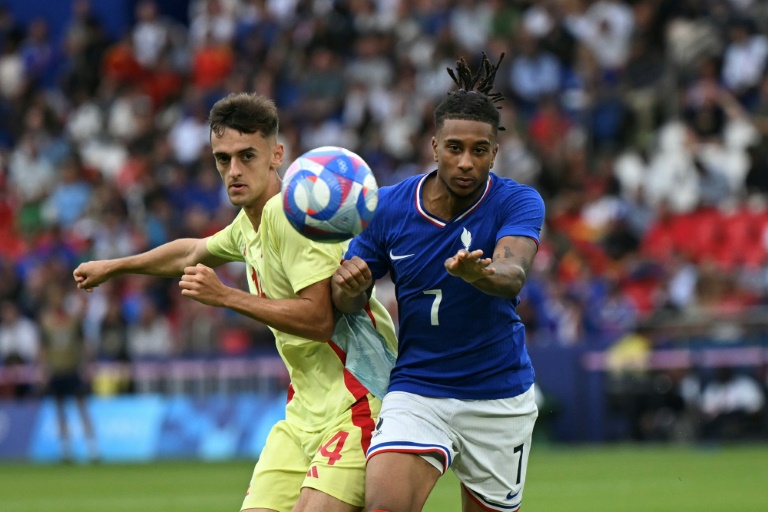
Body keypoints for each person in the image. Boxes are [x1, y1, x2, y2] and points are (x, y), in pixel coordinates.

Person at [73, 92, 397, 512]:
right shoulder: (249, 222)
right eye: (222, 159)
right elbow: (191, 252)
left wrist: (226, 297)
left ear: (276, 154)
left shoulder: (291, 216)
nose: (234, 171)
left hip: (356, 401)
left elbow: (318, 319)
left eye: (247, 156)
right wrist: (115, 266)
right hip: (303, 411)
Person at [332, 53, 545, 512]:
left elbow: (513, 274)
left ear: (495, 151)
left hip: (499, 395)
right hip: (418, 388)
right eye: (454, 148)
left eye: (479, 150)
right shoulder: (388, 206)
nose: (466, 161)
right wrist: (349, 287)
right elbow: (346, 303)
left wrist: (482, 273)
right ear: (434, 145)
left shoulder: (518, 201)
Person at [38, 284, 99, 462]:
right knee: (60, 410)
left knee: (82, 408)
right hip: (56, 370)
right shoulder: (46, 322)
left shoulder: (73, 321)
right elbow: (43, 348)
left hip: (73, 369)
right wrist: (43, 369)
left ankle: (92, 448)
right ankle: (66, 450)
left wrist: (87, 365)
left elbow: (83, 344)